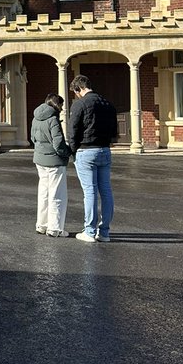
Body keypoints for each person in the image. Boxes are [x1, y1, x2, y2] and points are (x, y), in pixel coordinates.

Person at [68, 74, 118, 243]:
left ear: (78, 89)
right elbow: (114, 131)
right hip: (105, 150)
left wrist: (74, 151)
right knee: (106, 191)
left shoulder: (80, 104)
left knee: (90, 192)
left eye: (75, 92)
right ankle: (104, 232)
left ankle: (89, 231)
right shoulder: (108, 104)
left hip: (86, 151)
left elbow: (72, 130)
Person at [31, 93, 71, 237]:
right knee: (57, 194)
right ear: (57, 104)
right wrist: (67, 152)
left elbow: (32, 138)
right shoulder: (53, 118)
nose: (62, 108)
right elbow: (58, 143)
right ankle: (55, 228)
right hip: (54, 161)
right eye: (61, 105)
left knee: (44, 192)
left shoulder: (36, 117)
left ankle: (41, 225)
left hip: (40, 159)